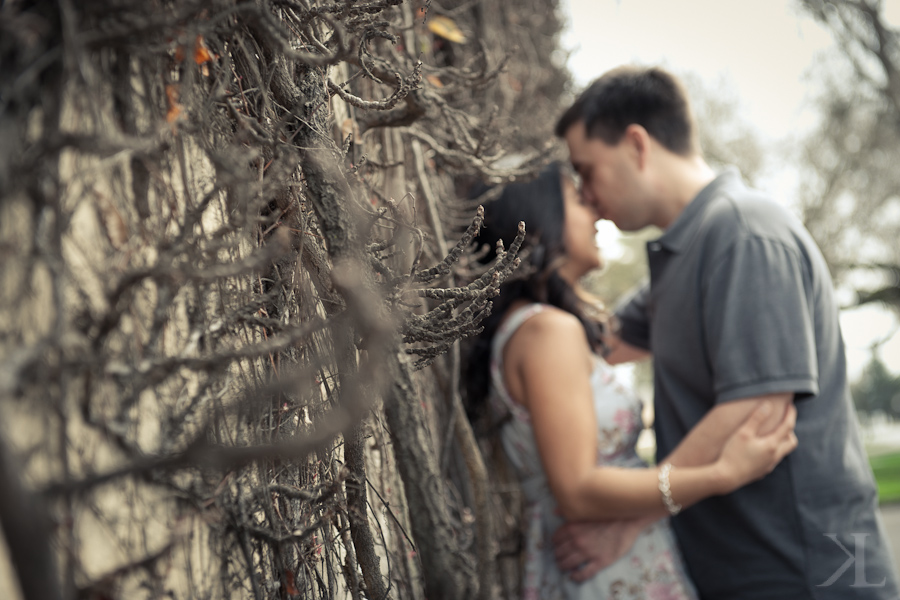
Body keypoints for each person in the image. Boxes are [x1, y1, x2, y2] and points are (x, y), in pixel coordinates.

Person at [551, 65, 900, 599]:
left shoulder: (744, 234)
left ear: (636, 145)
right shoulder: (682, 252)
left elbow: (756, 408)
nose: (585, 194)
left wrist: (628, 519)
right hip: (739, 567)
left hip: (805, 571)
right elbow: (600, 343)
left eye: (586, 170)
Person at [464, 162, 798, 599]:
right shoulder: (547, 333)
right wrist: (721, 474)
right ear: (541, 220)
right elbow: (579, 490)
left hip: (601, 561)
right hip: (603, 572)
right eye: (579, 202)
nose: (596, 215)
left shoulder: (536, 329)